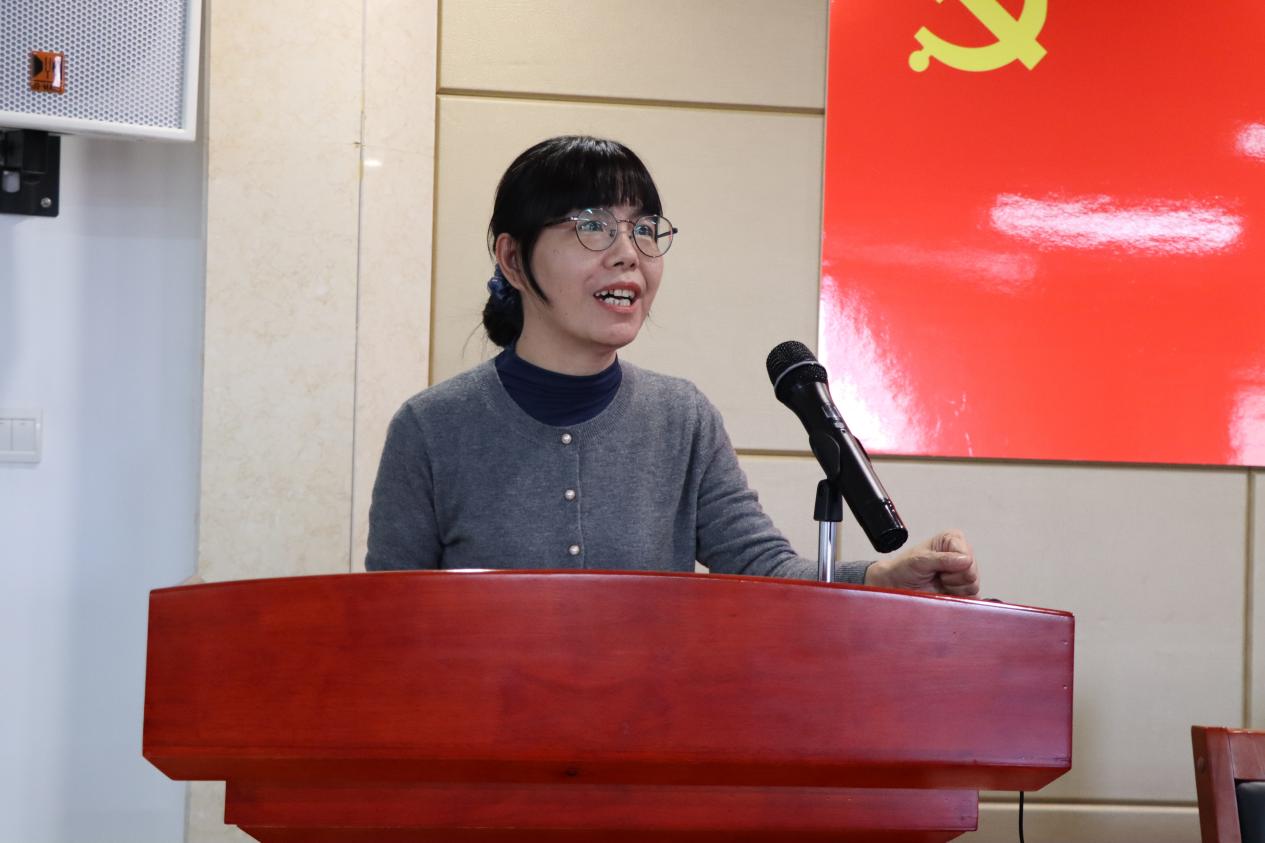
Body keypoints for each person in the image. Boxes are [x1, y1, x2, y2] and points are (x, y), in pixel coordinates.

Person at [366, 135, 979, 597]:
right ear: (512, 258)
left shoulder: (681, 418)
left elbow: (760, 567)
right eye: (592, 227)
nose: (627, 254)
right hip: (481, 731)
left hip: (648, 727)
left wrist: (883, 576)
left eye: (643, 230)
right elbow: (388, 621)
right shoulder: (431, 428)